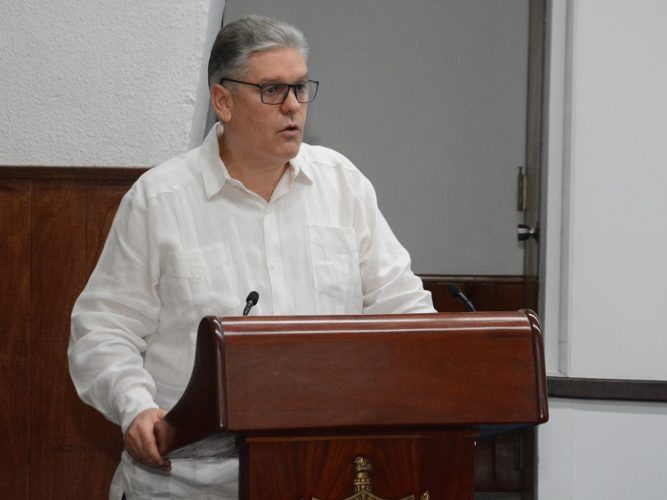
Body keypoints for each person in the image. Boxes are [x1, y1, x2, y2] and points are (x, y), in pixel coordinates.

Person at [68, 14, 436, 500]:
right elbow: (102, 331)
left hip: (319, 472)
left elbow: (404, 309)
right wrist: (135, 406)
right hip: (189, 483)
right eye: (272, 90)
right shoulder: (160, 199)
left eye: (300, 88)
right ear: (223, 101)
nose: (293, 106)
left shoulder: (342, 184)